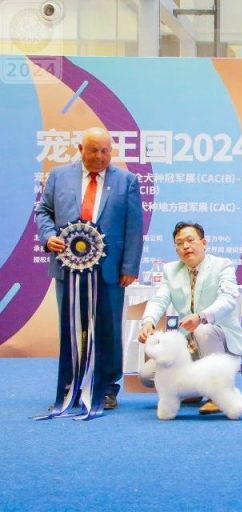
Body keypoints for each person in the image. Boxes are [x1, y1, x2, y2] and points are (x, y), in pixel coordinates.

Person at [34, 126, 144, 411]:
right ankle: (71, 386)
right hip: (67, 269)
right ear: (81, 149)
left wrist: (130, 266)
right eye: (94, 150)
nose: (100, 156)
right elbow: (43, 211)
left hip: (110, 272)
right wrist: (48, 236)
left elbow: (134, 227)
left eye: (105, 151)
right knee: (71, 328)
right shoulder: (58, 176)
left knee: (108, 331)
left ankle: (107, 389)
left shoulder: (127, 181)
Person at [137, 221, 242, 414]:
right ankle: (195, 389)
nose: (185, 246)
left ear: (204, 243)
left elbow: (228, 299)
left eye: (190, 240)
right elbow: (159, 299)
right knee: (147, 375)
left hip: (220, 337)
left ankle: (217, 394)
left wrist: (202, 316)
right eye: (179, 243)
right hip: (189, 342)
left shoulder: (223, 265)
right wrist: (148, 321)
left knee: (204, 330)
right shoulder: (170, 270)